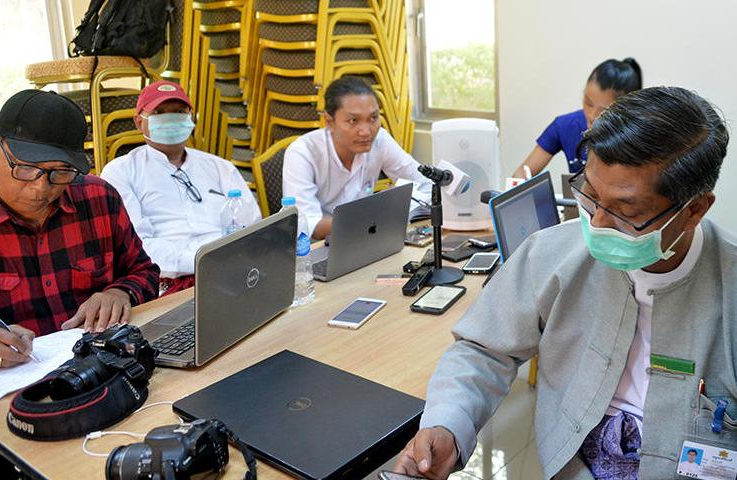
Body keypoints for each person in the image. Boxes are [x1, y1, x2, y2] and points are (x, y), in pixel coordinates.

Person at [394, 86, 733, 479]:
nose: (598, 225)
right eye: (589, 196)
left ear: (694, 210)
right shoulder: (551, 254)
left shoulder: (729, 286)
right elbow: (484, 349)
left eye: (626, 211)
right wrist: (447, 424)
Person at [0, 90, 160, 370]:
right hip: (5, 388)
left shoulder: (98, 198)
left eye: (61, 172)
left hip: (101, 368)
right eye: (26, 168)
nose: (41, 188)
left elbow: (144, 272)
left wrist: (120, 294)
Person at [101, 80, 261, 294]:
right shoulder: (121, 171)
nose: (170, 119)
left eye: (179, 111)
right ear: (139, 122)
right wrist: (202, 260)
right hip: (167, 284)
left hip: (233, 271)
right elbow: (138, 246)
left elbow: (251, 225)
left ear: (190, 118)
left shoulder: (220, 167)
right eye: (159, 112)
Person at [282, 76, 430, 240]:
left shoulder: (380, 140)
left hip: (365, 238)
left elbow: (424, 183)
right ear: (329, 122)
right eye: (353, 120)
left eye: (373, 118)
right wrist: (375, 218)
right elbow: (308, 224)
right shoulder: (303, 153)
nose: (366, 131)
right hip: (316, 249)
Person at [512, 58, 642, 178]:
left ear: (625, 109)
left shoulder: (638, 137)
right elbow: (521, 173)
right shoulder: (565, 126)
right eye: (588, 103)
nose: (591, 115)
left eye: (603, 111)